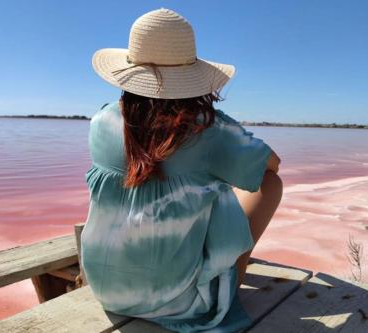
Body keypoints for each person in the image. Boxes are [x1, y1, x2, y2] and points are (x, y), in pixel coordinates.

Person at [81, 7, 282, 333]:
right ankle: (231, 277)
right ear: (192, 75)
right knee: (267, 184)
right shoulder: (208, 130)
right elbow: (271, 165)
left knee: (202, 187)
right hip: (179, 302)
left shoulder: (101, 119)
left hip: (106, 289)